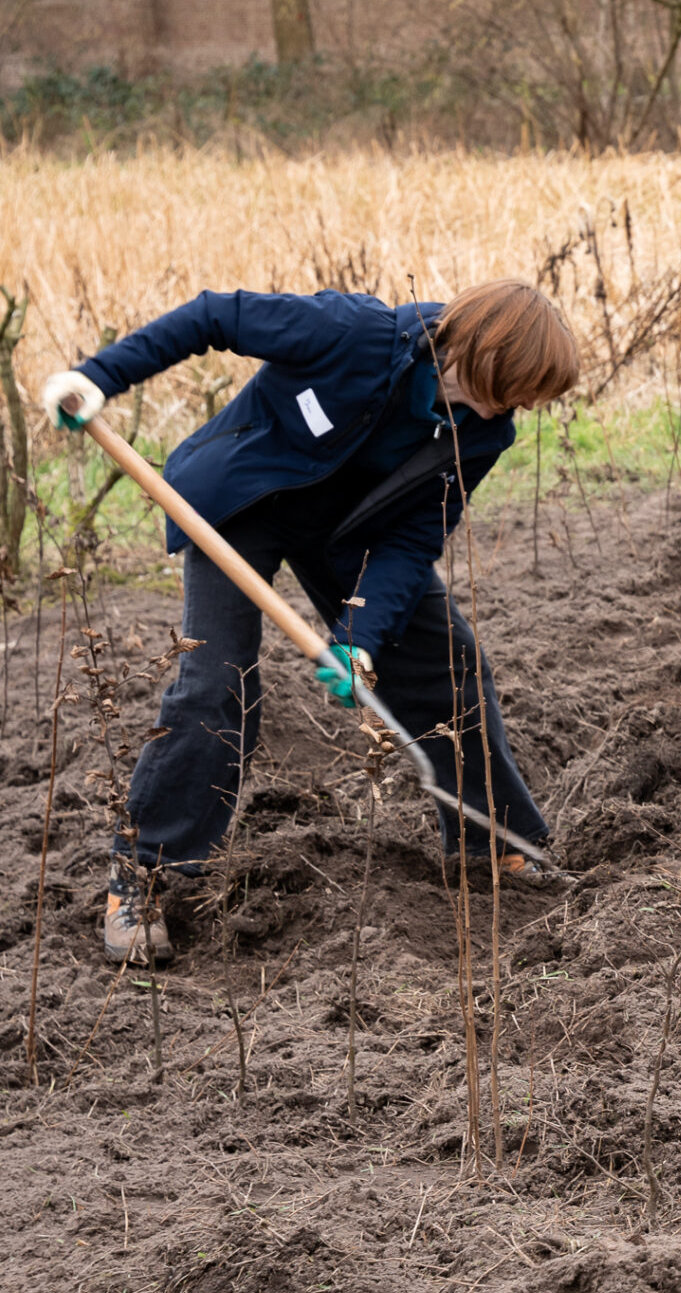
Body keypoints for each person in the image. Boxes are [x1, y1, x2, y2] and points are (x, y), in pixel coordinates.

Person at [39, 283, 578, 965]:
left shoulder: (484, 430)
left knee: (450, 663)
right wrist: (99, 376)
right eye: (510, 388)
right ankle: (145, 875)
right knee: (216, 681)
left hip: (350, 537)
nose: (512, 409)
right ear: (477, 349)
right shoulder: (353, 333)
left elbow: (413, 538)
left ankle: (490, 841)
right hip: (239, 505)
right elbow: (214, 316)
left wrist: (360, 640)